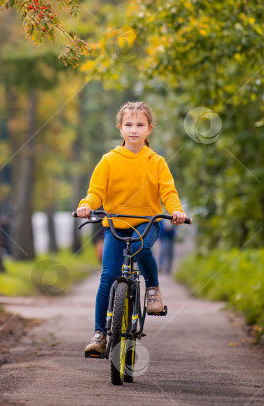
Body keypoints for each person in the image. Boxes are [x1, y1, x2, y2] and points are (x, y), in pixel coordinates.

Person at [75, 101, 187, 357]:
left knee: (139, 247)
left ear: (149, 129)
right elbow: (95, 193)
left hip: (147, 224)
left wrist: (177, 210)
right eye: (128, 124)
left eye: (139, 125)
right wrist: (85, 206)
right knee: (108, 275)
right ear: (120, 128)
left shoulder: (156, 162)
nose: (133, 129)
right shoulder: (109, 160)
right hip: (115, 225)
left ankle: (153, 289)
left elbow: (168, 193)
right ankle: (100, 334)